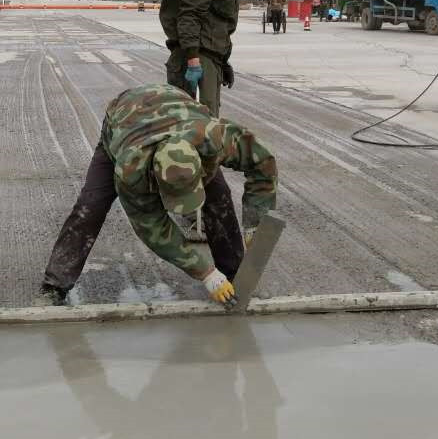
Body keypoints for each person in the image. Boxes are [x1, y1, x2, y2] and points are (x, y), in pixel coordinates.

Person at [37, 83, 277, 307]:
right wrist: (205, 273)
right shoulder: (131, 169)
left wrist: (255, 223)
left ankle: (234, 275)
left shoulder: (215, 138)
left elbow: (262, 164)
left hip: (178, 109)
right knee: (91, 206)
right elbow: (153, 229)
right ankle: (55, 285)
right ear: (154, 177)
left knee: (219, 196)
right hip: (124, 120)